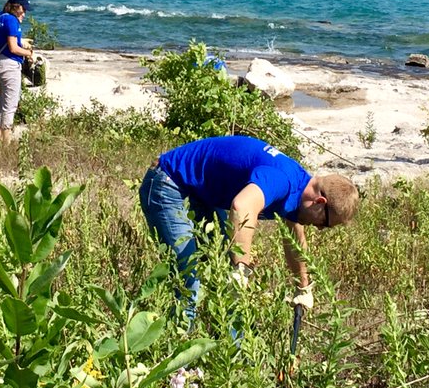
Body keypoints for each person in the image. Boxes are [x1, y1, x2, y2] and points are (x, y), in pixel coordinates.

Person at [138, 135, 359, 326]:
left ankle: (227, 348)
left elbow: (294, 234)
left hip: (201, 192)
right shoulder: (281, 179)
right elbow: (242, 206)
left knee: (221, 270)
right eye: (325, 223)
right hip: (168, 181)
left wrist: (303, 287)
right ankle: (177, 353)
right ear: (319, 202)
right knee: (189, 277)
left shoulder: (300, 186)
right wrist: (241, 269)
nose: (319, 228)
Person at [0, 0, 35, 145]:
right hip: (10, 66)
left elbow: (5, 39)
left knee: (1, 105)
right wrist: (29, 53)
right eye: (24, 9)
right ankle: (6, 143)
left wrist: (22, 41)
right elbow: (13, 47)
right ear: (17, 7)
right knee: (10, 105)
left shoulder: (1, 17)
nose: (24, 14)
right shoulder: (12, 20)